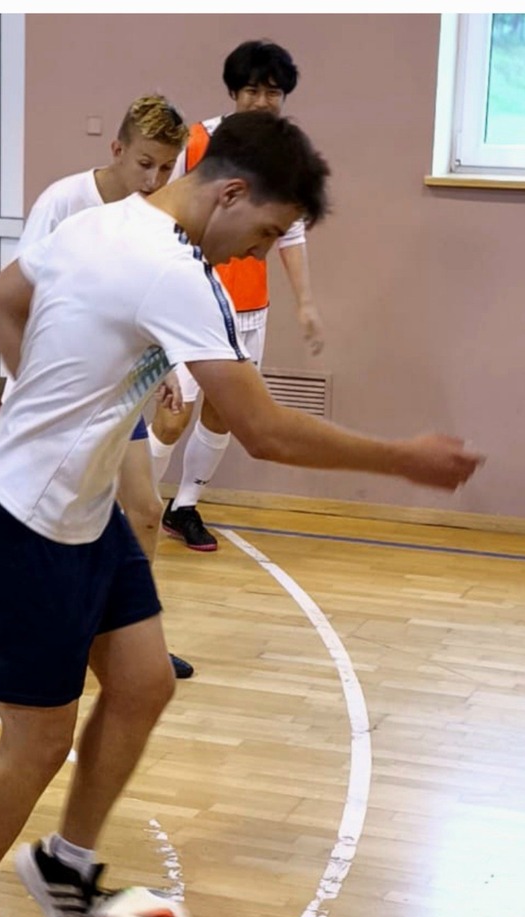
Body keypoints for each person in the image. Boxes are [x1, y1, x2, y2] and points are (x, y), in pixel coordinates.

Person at [0, 112, 482, 917]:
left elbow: (1, 298)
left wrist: (60, 403)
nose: (261, 251)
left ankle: (64, 864)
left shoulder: (103, 222)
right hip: (24, 525)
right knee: (39, 738)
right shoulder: (173, 271)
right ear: (231, 192)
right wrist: (402, 458)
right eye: (266, 232)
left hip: (86, 509)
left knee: (143, 684)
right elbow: (262, 429)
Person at [13, 92, 198, 685]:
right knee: (45, 533)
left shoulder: (158, 220)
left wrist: (165, 367)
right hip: (60, 399)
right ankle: (6, 666)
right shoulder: (64, 202)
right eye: (144, 163)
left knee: (144, 511)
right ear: (116, 149)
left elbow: (145, 306)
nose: (154, 179)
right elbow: (18, 297)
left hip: (117, 394)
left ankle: (131, 642)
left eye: (165, 167)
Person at [155, 42, 325, 552]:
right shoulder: (197, 141)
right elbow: (162, 211)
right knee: (174, 412)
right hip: (191, 302)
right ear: (233, 92)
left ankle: (184, 506)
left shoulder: (287, 156)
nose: (261, 101)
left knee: (223, 412)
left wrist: (305, 303)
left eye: (272, 92)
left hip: (248, 309)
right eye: (251, 90)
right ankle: (129, 504)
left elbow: (291, 231)